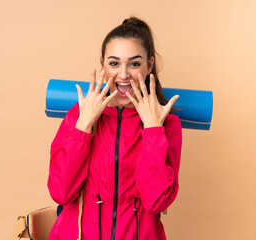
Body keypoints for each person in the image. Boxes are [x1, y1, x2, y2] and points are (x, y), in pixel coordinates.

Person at [47, 17, 182, 240]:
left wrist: (152, 130)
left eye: (134, 64)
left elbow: (157, 200)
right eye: (114, 63)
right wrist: (83, 127)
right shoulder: (79, 114)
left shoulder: (166, 124)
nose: (123, 75)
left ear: (149, 65)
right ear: (102, 64)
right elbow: (60, 192)